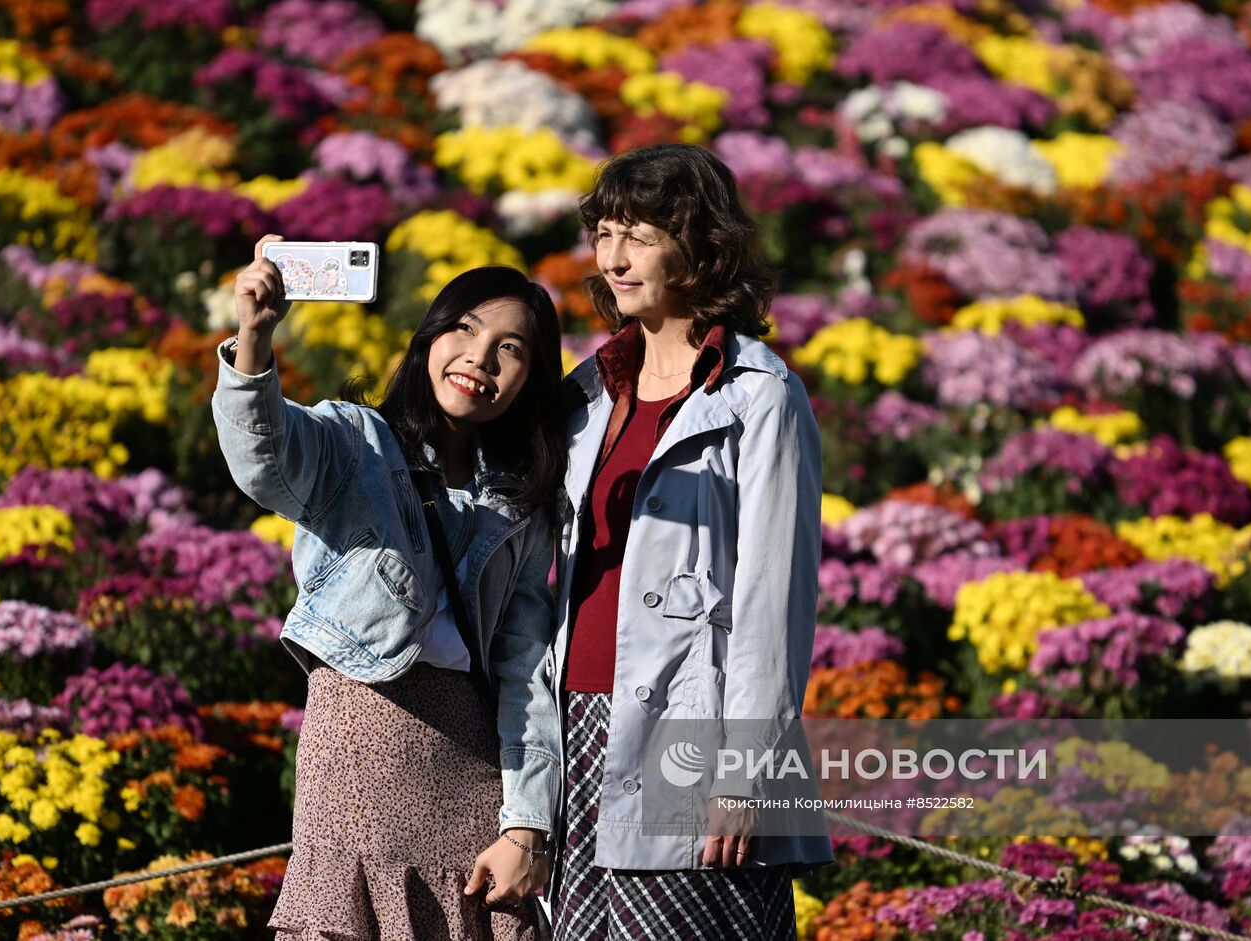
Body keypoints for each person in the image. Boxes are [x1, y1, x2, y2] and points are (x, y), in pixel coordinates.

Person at [213, 236, 565, 940]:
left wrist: (527, 821)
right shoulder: (354, 441)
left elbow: (525, 666)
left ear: (530, 378)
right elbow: (263, 458)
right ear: (430, 334)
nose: (479, 357)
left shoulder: (521, 506)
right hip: (358, 755)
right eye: (464, 328)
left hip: (474, 775)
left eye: (510, 348)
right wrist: (253, 335)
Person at [548, 144, 833, 940]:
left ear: (699, 243)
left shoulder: (759, 396)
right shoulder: (586, 390)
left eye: (637, 232)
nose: (613, 257)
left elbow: (774, 602)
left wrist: (742, 772)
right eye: (604, 233)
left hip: (690, 733)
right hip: (574, 728)